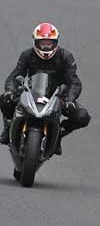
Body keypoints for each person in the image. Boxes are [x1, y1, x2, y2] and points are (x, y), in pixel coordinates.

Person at [0, 23, 90, 154]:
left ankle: (59, 133)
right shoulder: (27, 55)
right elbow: (14, 76)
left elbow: (74, 82)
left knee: (82, 116)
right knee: (4, 99)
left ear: (56, 42)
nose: (46, 46)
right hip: (32, 92)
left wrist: (70, 99)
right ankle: (8, 128)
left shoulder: (65, 56)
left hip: (59, 95)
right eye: (43, 43)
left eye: (49, 43)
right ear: (36, 42)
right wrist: (10, 90)